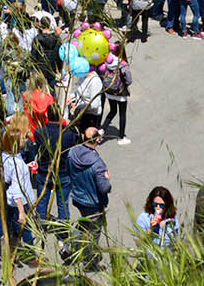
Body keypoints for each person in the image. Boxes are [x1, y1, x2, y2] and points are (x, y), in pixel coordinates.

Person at [0, 120, 35, 270]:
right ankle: (31, 256)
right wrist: (22, 211)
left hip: (7, 198)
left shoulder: (2, 156)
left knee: (0, 227)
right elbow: (17, 189)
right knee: (26, 228)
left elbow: (8, 177)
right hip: (18, 202)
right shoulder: (16, 163)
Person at [63, 126, 111, 269]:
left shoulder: (72, 153)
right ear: (97, 140)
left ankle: (69, 248)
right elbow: (104, 188)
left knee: (83, 224)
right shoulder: (98, 164)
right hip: (93, 202)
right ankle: (90, 262)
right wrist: (107, 179)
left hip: (78, 197)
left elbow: (67, 170)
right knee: (94, 232)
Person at [136, 185, 182, 250]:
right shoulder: (144, 217)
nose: (158, 207)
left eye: (161, 205)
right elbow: (138, 243)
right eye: (155, 204)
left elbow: (177, 243)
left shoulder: (172, 219)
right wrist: (151, 229)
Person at [100, 52, 131, 143]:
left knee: (113, 110)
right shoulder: (122, 64)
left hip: (109, 91)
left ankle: (102, 129)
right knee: (122, 114)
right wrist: (126, 85)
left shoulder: (108, 61)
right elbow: (129, 79)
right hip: (120, 93)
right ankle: (121, 137)